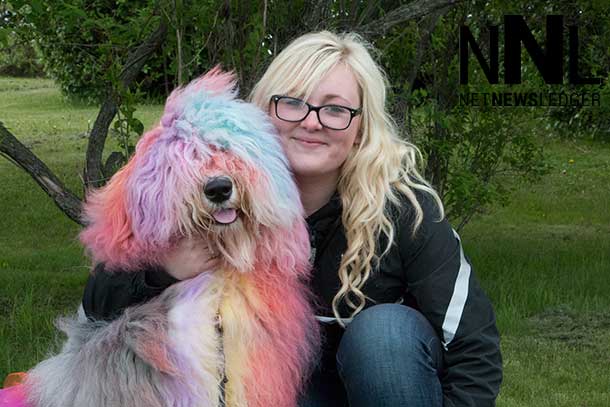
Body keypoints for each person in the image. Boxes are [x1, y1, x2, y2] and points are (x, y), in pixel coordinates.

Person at [82, 31, 502, 407]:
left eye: (335, 110)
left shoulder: (404, 211)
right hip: (279, 389)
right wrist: (164, 271)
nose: (311, 122)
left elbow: (474, 347)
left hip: (382, 383)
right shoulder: (211, 197)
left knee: (384, 333)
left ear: (361, 125)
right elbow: (97, 304)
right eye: (294, 103)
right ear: (265, 110)